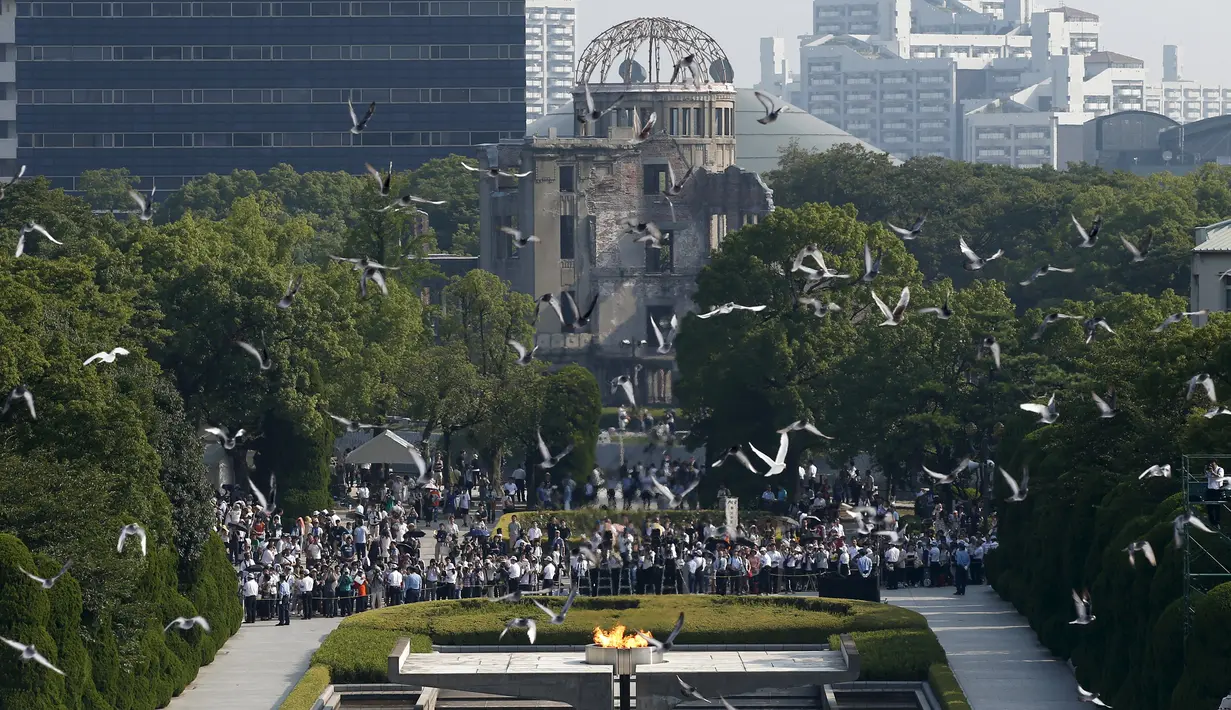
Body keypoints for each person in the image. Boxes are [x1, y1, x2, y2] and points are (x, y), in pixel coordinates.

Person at [1206, 461, 1225, 529]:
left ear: (1215, 463)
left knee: (1217, 508)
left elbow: (1220, 477)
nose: (1211, 465)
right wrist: (1208, 471)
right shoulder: (1209, 470)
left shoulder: (1220, 469)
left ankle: (1217, 523)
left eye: (1212, 463)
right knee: (1209, 507)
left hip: (1217, 490)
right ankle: (1212, 522)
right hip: (1210, 490)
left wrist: (1212, 472)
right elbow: (1206, 476)